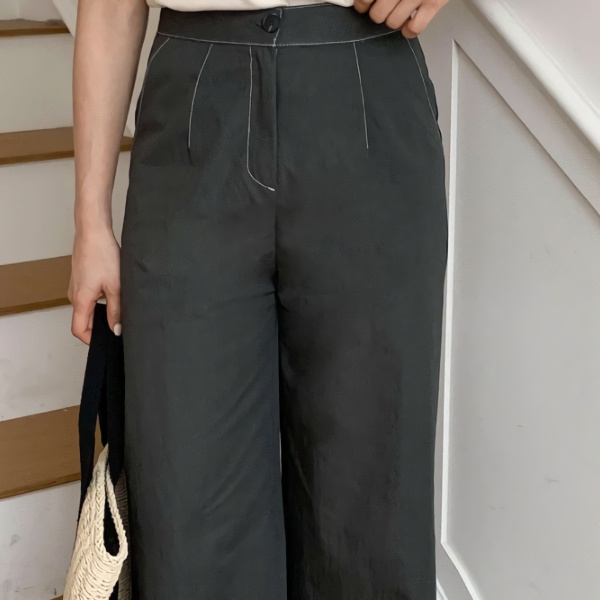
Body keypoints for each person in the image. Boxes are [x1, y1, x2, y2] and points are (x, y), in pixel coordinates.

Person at [68, 0, 449, 598]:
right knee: (187, 501)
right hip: (193, 108)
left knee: (372, 501)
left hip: (365, 87)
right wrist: (90, 220)